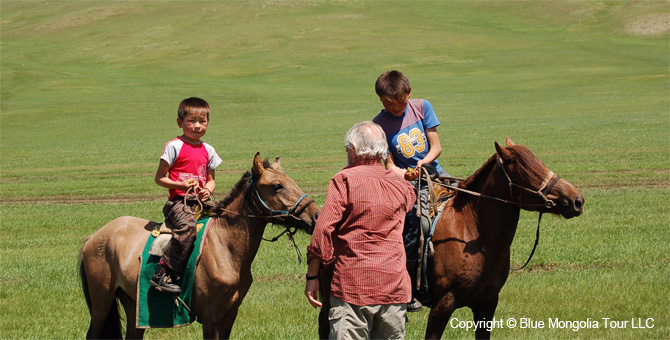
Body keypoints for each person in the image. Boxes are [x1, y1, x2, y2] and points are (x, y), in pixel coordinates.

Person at [305, 121, 416, 340]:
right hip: (394, 288)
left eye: (347, 149)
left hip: (353, 288)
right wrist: (400, 176)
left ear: (353, 150)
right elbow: (410, 199)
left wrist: (312, 275)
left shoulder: (344, 179)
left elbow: (323, 230)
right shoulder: (400, 185)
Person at [372, 70, 452, 312]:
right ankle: (412, 289)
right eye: (388, 104)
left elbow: (436, 146)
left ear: (409, 93)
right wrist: (405, 174)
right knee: (420, 227)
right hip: (407, 185)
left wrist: (423, 161)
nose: (396, 107)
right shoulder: (379, 124)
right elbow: (389, 166)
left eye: (400, 102)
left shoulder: (422, 107)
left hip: (435, 174)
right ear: (381, 100)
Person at [151, 97, 222, 294]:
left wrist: (207, 190)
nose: (197, 126)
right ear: (180, 122)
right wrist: (180, 184)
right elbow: (159, 178)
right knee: (188, 226)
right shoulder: (174, 146)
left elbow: (211, 180)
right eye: (191, 121)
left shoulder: (208, 150)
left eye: (202, 121)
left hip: (200, 201)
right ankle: (163, 272)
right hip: (178, 201)